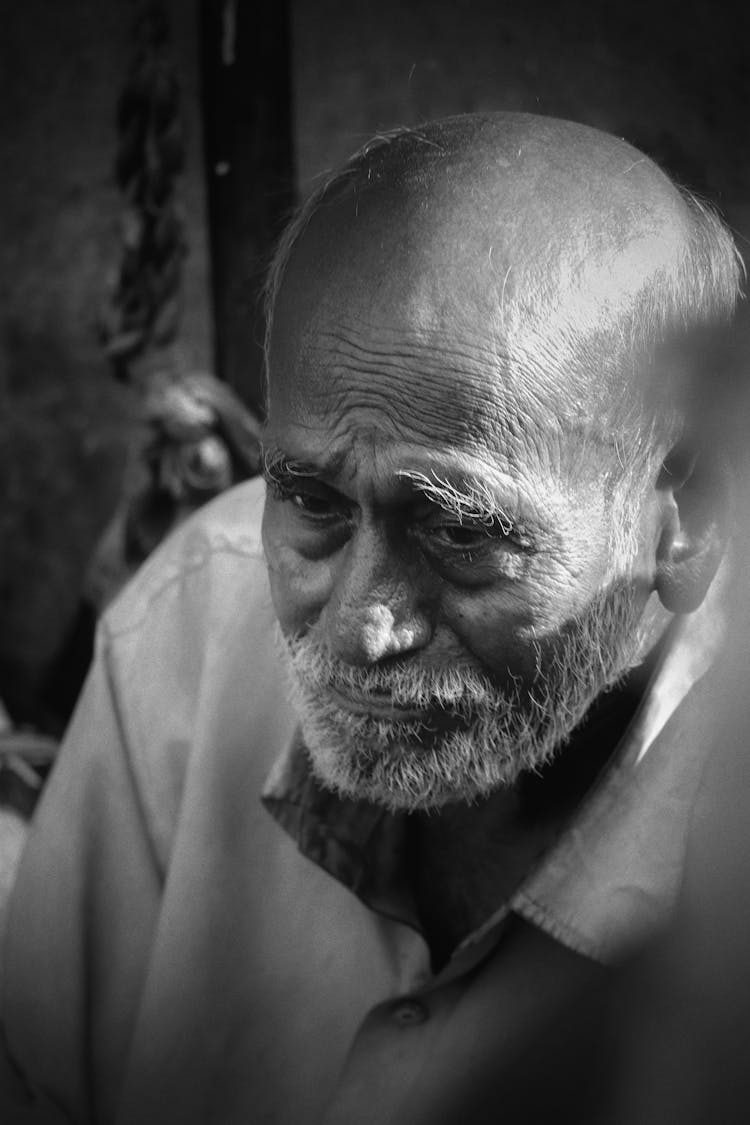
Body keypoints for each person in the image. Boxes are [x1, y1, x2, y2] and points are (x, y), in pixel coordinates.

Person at [0, 112, 743, 1124]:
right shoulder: (191, 623)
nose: (360, 624)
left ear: (684, 516)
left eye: (456, 532)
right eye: (311, 502)